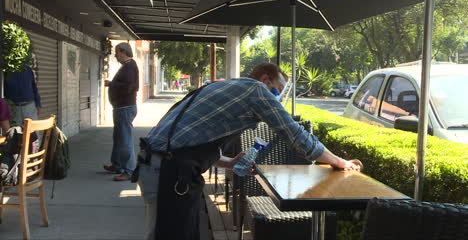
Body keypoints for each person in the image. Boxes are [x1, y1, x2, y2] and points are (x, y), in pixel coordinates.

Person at [138, 63, 362, 240]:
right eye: (278, 89)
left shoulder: (228, 86)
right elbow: (296, 136)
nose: (278, 97)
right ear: (266, 79)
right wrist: (339, 161)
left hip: (163, 166)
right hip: (166, 171)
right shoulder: (255, 90)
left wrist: (229, 162)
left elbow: (194, 138)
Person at [103, 42, 139, 181]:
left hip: (125, 108)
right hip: (121, 108)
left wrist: (112, 84)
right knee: (118, 138)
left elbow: (129, 87)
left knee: (125, 140)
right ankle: (117, 165)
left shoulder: (129, 67)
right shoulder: (127, 66)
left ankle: (129, 170)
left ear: (123, 52)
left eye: (116, 53)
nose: (115, 56)